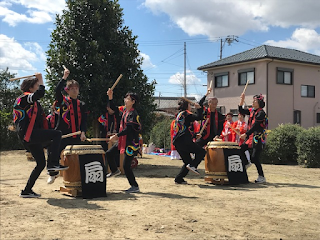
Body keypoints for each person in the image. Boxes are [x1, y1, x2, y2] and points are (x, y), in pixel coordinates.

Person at [13, 73, 68, 198]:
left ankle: (26, 190)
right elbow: (40, 94)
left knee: (41, 163)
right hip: (29, 134)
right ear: (31, 87)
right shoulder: (24, 98)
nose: (39, 87)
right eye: (37, 85)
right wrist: (41, 78)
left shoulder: (31, 101)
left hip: (30, 135)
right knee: (57, 135)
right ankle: (53, 164)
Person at [47, 68, 88, 184]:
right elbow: (56, 91)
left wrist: (83, 132)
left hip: (76, 135)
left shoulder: (82, 104)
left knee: (76, 159)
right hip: (63, 134)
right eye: (72, 88)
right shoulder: (63, 101)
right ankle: (53, 173)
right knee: (53, 152)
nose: (75, 90)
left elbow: (84, 120)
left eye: (76, 88)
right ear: (68, 91)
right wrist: (64, 77)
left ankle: (77, 179)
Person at [109, 91, 142, 193]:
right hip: (124, 141)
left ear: (133, 101)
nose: (125, 100)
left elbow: (128, 129)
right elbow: (113, 108)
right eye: (125, 98)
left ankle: (134, 186)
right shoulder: (124, 110)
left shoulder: (133, 113)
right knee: (109, 154)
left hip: (132, 144)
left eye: (128, 99)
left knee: (126, 166)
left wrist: (116, 136)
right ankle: (114, 170)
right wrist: (110, 97)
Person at [172, 98, 205, 184]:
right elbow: (199, 117)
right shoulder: (186, 114)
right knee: (201, 152)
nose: (191, 107)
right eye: (190, 105)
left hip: (177, 141)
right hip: (184, 141)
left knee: (187, 161)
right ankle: (193, 165)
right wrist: (199, 108)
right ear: (187, 106)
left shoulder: (179, 115)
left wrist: (194, 135)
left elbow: (183, 129)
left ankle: (179, 179)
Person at [239, 93, 267, 183]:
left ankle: (261, 176)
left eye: (254, 100)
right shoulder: (252, 111)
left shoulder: (261, 113)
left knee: (254, 158)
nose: (253, 102)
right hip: (250, 137)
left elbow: (255, 125)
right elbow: (241, 110)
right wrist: (242, 100)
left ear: (259, 102)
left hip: (258, 137)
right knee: (241, 149)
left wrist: (246, 134)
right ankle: (246, 163)